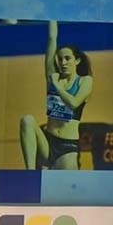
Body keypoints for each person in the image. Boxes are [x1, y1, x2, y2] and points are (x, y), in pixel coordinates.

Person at [20, 20, 93, 170]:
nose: (63, 62)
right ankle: (29, 173)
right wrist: (51, 14)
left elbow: (74, 103)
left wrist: (57, 86)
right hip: (47, 142)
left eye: (67, 58)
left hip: (67, 146)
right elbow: (52, 37)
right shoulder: (53, 77)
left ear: (77, 60)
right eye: (60, 59)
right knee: (27, 120)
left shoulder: (85, 81)